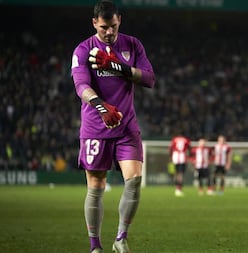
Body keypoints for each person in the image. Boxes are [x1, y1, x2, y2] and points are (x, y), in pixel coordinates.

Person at [71, 1, 155, 252]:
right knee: (96, 187)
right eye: (104, 27)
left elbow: (149, 78)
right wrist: (101, 106)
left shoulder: (132, 44)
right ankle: (95, 246)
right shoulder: (83, 50)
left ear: (120, 20)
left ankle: (121, 238)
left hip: (126, 126)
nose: (109, 32)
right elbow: (81, 86)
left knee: (134, 179)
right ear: (94, 23)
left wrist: (116, 66)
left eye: (114, 26)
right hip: (96, 127)